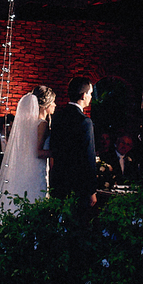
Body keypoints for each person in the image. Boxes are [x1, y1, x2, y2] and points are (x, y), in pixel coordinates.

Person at [0, 85, 56, 216]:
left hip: (25, 170)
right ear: (46, 105)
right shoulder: (42, 124)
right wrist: (58, 151)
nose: (55, 105)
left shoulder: (27, 124)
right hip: (37, 171)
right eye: (53, 101)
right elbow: (38, 152)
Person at [50, 76, 97, 213]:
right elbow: (88, 156)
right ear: (83, 95)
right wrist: (91, 190)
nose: (90, 97)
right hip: (78, 184)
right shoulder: (84, 121)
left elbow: (54, 148)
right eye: (90, 94)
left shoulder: (57, 117)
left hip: (59, 180)